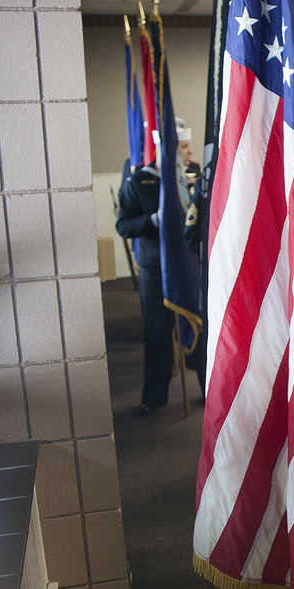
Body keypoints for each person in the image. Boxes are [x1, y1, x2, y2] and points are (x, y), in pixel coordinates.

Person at [115, 119, 190, 415]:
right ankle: (155, 395)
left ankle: (210, 388)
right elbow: (123, 225)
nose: (187, 153)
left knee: (196, 324)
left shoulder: (187, 178)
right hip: (154, 266)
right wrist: (152, 221)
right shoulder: (138, 182)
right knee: (158, 331)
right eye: (181, 147)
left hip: (184, 261)